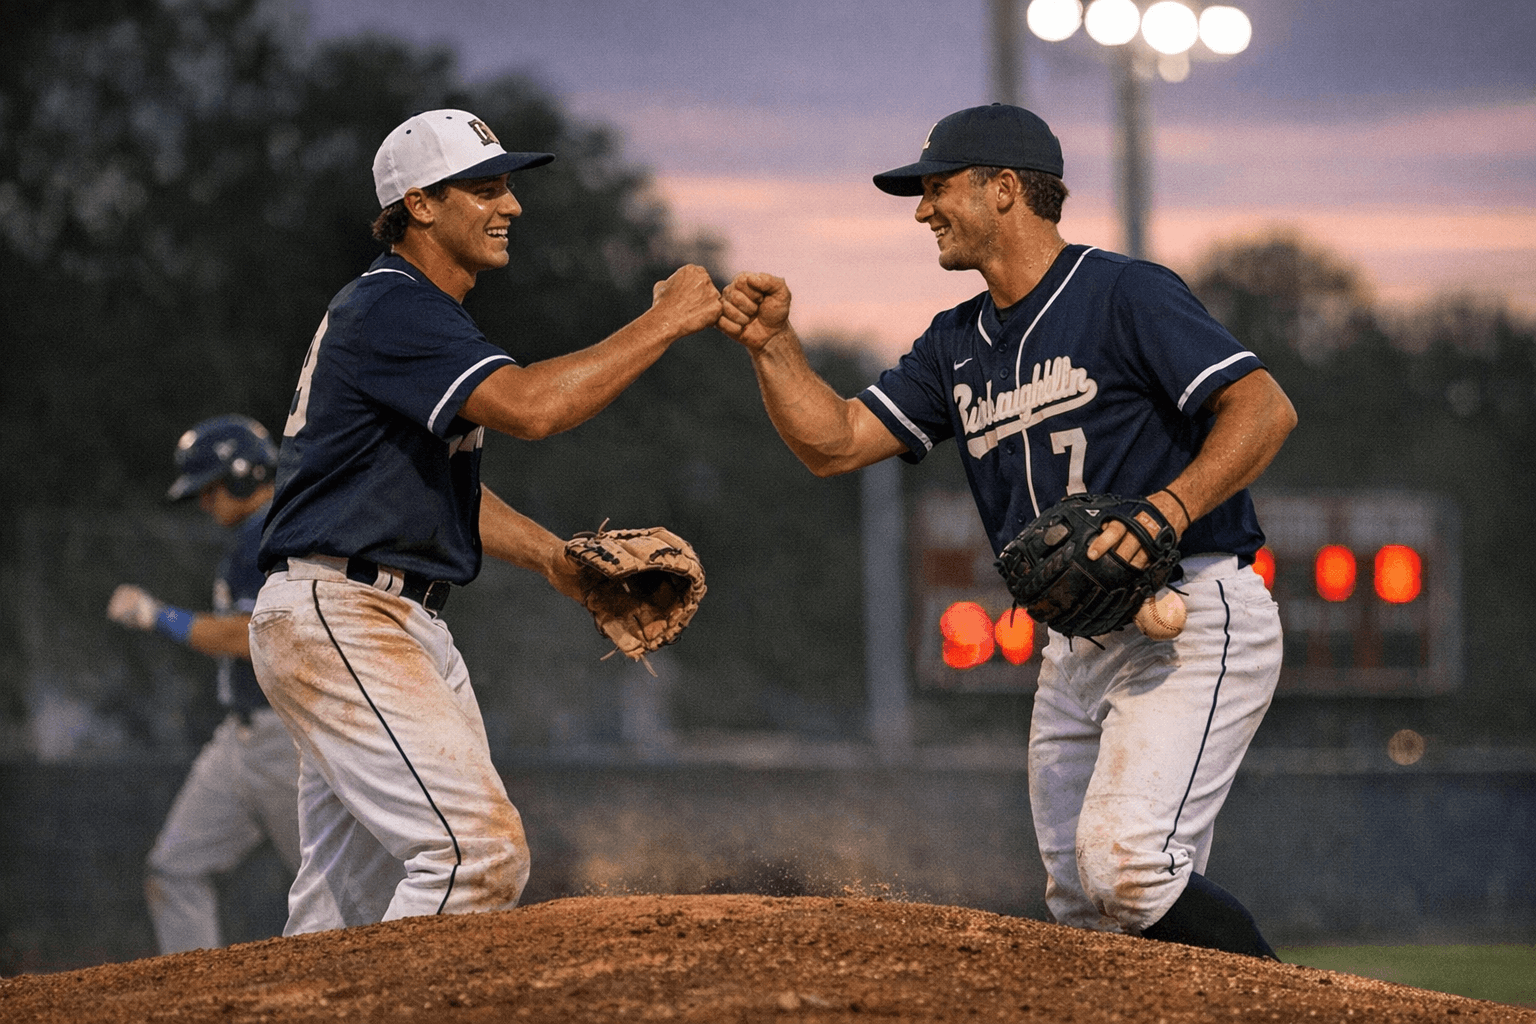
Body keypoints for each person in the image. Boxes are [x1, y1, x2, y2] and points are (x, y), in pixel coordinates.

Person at [718, 104, 1297, 958]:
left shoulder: (1122, 292)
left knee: (1127, 869)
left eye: (937, 187)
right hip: (1074, 648)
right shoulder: (956, 343)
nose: (921, 210)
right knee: (1086, 905)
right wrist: (773, 347)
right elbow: (836, 442)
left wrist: (1163, 511)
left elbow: (1263, 408)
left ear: (1003, 189)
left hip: (1189, 616)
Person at [248, 108, 721, 935]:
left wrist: (555, 561)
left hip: (376, 616)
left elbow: (445, 492)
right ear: (420, 205)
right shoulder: (393, 305)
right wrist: (665, 321)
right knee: (476, 854)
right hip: (348, 616)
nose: (512, 207)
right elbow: (531, 408)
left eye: (507, 186)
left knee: (342, 908)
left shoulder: (416, 314)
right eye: (485, 188)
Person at [106, 414, 300, 953]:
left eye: (209, 488)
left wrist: (157, 616)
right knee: (173, 869)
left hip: (287, 740)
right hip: (241, 740)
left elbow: (250, 637)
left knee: (339, 889)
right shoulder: (250, 535)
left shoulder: (270, 532)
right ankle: (198, 1001)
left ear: (242, 476)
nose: (202, 502)